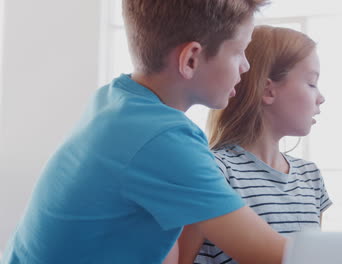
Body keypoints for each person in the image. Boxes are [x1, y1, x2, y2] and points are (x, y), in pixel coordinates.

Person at [0, 1, 288, 263]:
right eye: (239, 52)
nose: (246, 66)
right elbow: (270, 255)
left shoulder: (115, 100)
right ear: (190, 59)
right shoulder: (163, 137)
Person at [178, 25, 332, 264]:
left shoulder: (310, 177)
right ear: (268, 89)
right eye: (312, 83)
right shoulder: (213, 172)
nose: (321, 97)